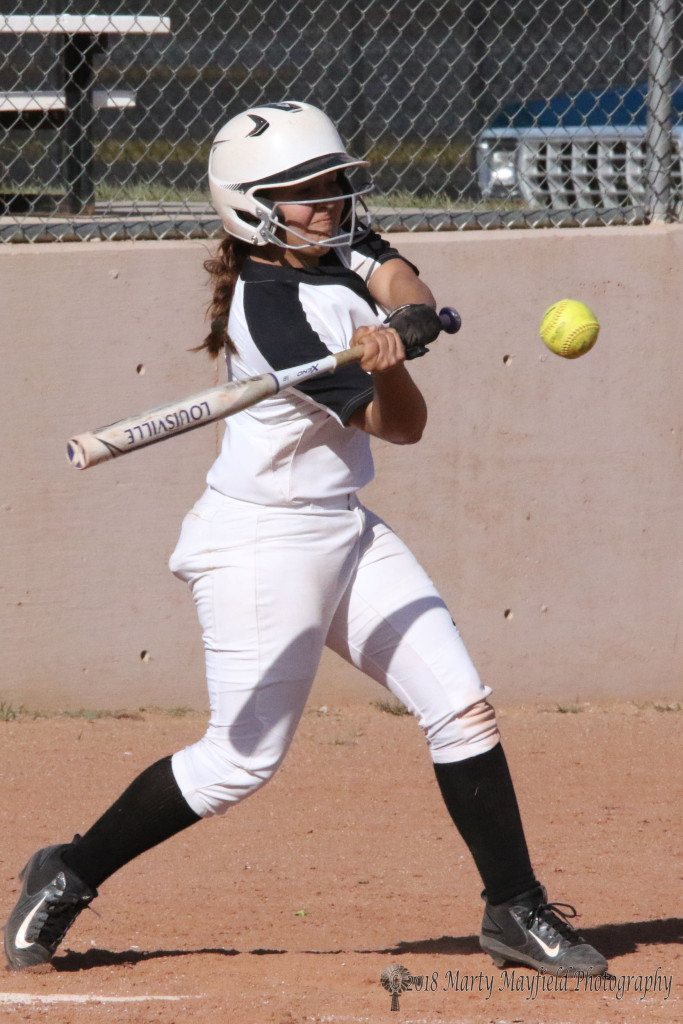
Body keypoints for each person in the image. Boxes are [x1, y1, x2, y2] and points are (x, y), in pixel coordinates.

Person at [4, 100, 607, 977]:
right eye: (303, 191)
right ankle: (68, 870)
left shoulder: (332, 245)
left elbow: (400, 277)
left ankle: (513, 909)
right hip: (261, 546)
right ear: (253, 207)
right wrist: (384, 370)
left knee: (460, 705)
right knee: (236, 763)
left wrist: (403, 322)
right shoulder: (273, 315)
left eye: (332, 184)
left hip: (345, 530)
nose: (328, 202)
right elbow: (403, 431)